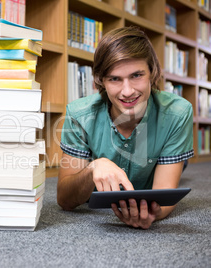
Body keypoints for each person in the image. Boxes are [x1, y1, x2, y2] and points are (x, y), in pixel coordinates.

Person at [57, 26, 194, 229]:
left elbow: (164, 198)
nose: (127, 91)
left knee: (177, 169)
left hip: (156, 162)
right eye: (114, 79)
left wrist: (153, 214)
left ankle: (177, 161)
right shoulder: (79, 114)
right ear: (100, 81)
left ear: (152, 73)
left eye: (137, 75)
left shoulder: (178, 113)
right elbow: (65, 200)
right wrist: (93, 168)